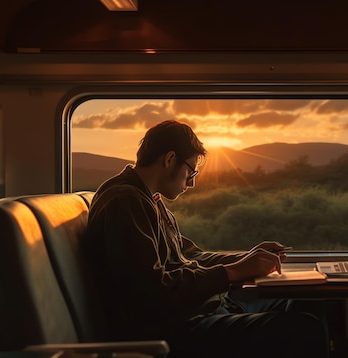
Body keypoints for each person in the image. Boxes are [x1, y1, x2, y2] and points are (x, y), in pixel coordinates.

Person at [84, 119, 329, 358]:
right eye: (191, 170)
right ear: (170, 160)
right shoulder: (124, 202)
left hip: (198, 310)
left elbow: (191, 256)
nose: (191, 182)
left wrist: (247, 258)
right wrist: (232, 272)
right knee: (304, 329)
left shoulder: (150, 200)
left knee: (302, 302)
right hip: (175, 328)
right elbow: (154, 289)